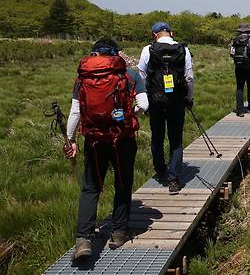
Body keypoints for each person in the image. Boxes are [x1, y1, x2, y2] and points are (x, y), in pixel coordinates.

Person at [65, 39, 148, 260]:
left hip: (93, 139)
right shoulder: (129, 74)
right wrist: (131, 115)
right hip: (122, 138)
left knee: (91, 187)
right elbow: (144, 104)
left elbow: (75, 112)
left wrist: (70, 139)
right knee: (123, 183)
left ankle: (83, 239)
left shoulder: (84, 77)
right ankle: (119, 232)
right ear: (116, 53)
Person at [138, 22, 194, 195]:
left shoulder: (148, 49)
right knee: (176, 139)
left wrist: (144, 100)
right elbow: (189, 76)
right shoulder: (183, 49)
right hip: (176, 100)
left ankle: (160, 169)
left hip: (155, 100)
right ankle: (174, 179)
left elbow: (141, 75)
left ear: (154, 34)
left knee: (157, 135)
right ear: (171, 33)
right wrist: (189, 98)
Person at [230, 23, 250, 116]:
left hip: (238, 67)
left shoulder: (235, 40)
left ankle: (240, 111)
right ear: (248, 31)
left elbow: (231, 53)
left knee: (240, 88)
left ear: (240, 31)